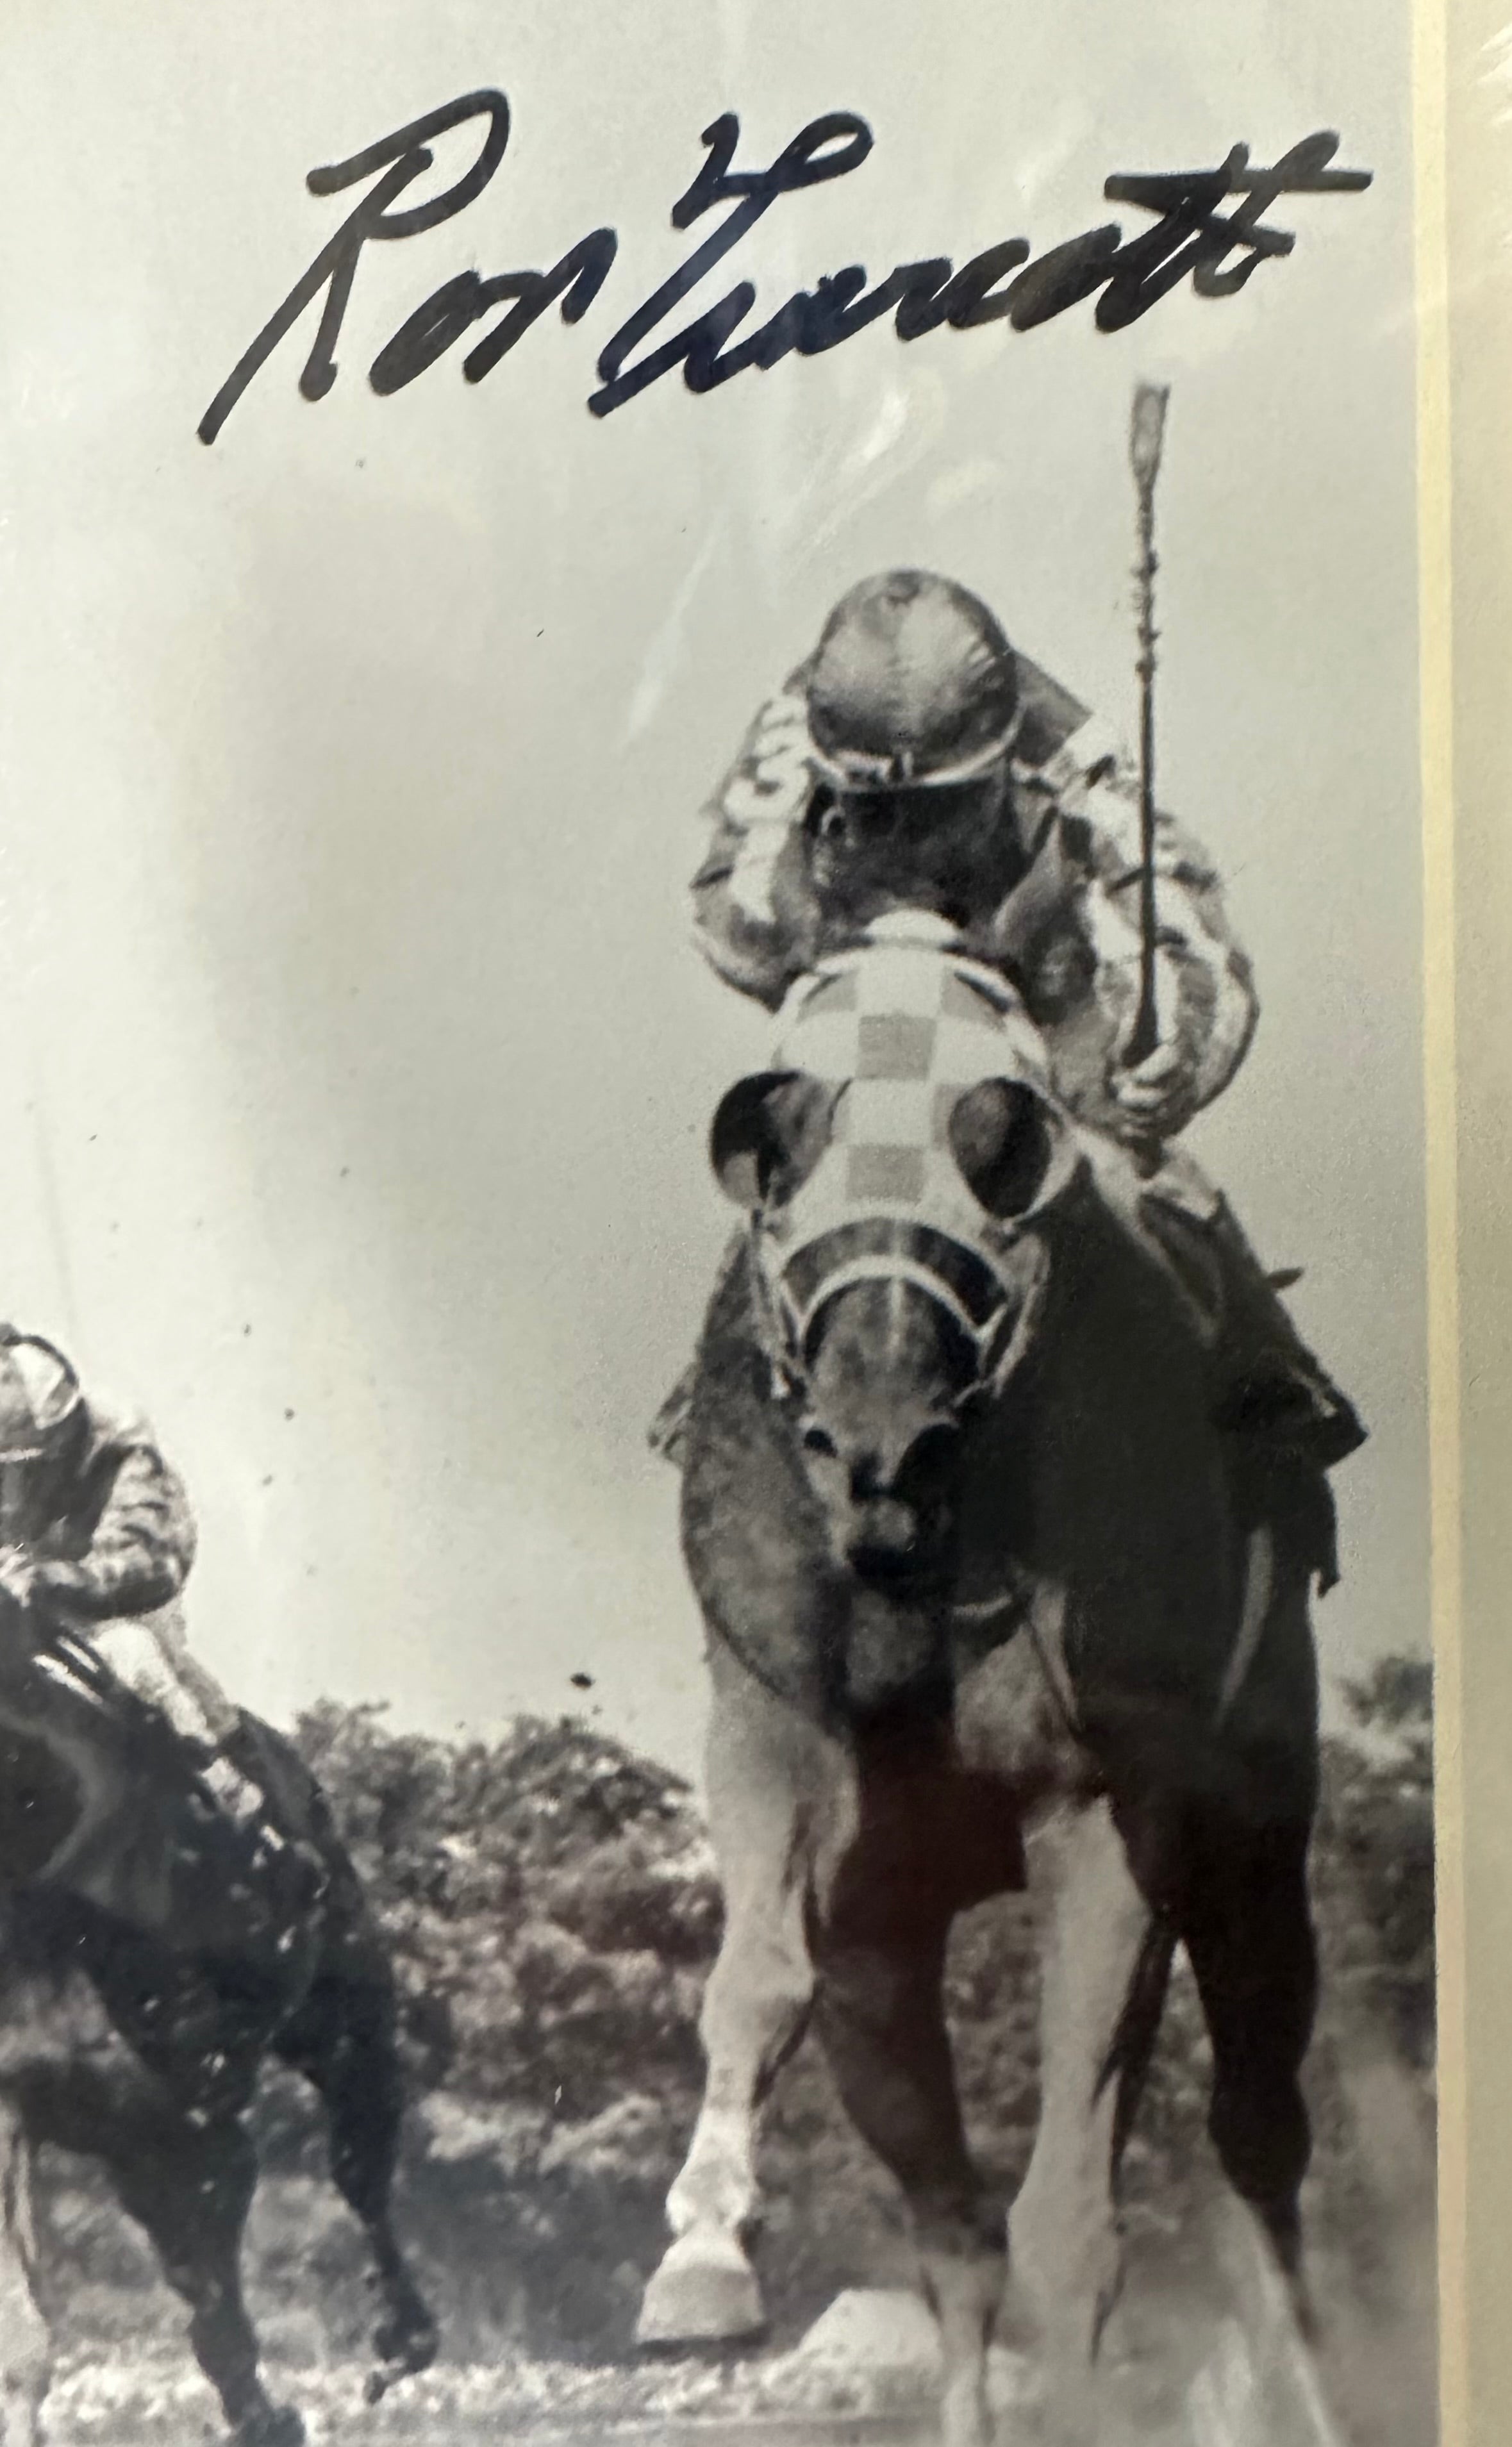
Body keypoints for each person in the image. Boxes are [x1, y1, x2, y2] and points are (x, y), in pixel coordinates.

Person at [653, 568, 1364, 1511]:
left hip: (1040, 995)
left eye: (940, 806)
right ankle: (717, 1386)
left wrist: (1168, 1053)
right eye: (875, 807)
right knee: (796, 1149)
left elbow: (1183, 929)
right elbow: (725, 900)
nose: (905, 828)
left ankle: (1262, 1374)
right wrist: (820, 944)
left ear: (993, 765)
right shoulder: (795, 725)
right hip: (854, 966)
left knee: (1126, 1166)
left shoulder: (1075, 760)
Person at [0, 1323, 321, 1889]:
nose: (10, 1495)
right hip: (29, 1578)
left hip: (117, 1585)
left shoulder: (122, 1451)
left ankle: (247, 1811)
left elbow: (148, 1563)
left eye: (23, 1472)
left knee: (137, 1653)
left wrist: (56, 1578)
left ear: (61, 1443)